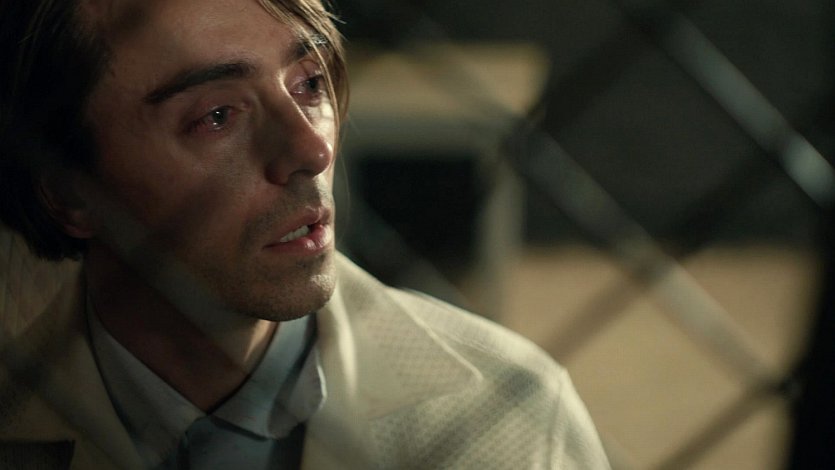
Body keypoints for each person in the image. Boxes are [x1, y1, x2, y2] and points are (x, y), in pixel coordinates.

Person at [0, 0, 611, 468]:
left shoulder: (509, 418)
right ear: (69, 191)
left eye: (309, 83)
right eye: (217, 116)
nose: (311, 148)